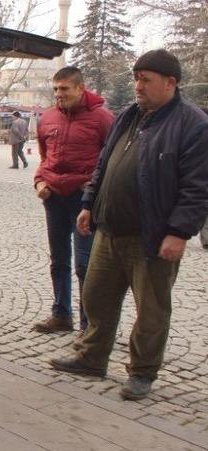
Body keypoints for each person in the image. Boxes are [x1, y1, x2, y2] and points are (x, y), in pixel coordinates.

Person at [50, 50, 208, 400]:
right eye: (135, 78)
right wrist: (89, 203)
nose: (137, 85)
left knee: (151, 310)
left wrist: (179, 232)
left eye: (145, 79)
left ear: (171, 83)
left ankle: (142, 372)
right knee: (96, 296)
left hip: (152, 238)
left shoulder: (192, 124)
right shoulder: (128, 117)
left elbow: (198, 187)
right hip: (108, 229)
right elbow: (104, 164)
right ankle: (92, 357)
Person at [32, 67, 115, 335]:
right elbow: (45, 159)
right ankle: (61, 315)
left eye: (64, 89)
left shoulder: (102, 119)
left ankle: (88, 324)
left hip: (84, 199)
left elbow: (111, 161)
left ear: (81, 88)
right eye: (56, 89)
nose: (59, 94)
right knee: (58, 260)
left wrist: (93, 190)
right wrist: (39, 182)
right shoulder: (47, 118)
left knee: (85, 264)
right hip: (54, 197)